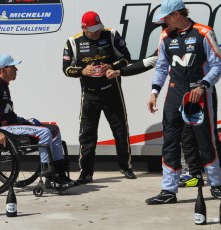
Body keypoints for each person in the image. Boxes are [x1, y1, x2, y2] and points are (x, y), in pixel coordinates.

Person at [106, 47, 221, 188]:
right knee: (185, 137)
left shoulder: (199, 37)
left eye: (166, 25)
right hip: (179, 94)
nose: (165, 29)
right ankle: (194, 174)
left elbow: (216, 63)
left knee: (208, 137)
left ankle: (217, 179)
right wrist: (120, 72)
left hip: (202, 93)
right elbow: (147, 62)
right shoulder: (166, 44)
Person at [145, 0, 221, 205]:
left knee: (206, 140)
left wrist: (203, 85)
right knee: (169, 141)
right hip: (174, 92)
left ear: (178, 14)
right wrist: (154, 92)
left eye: (167, 18)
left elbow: (217, 65)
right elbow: (161, 68)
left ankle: (216, 184)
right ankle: (168, 190)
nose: (164, 22)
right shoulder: (165, 36)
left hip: (200, 92)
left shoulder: (204, 32)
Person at [0, 54, 76, 189]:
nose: (16, 69)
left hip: (12, 125)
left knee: (54, 130)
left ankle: (60, 174)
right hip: (3, 130)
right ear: (3, 69)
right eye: (13, 66)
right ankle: (49, 175)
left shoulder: (4, 86)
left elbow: (5, 112)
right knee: (44, 133)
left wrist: (25, 121)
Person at [62, 11, 136, 184]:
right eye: (93, 30)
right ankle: (86, 173)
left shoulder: (111, 34)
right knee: (87, 135)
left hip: (112, 91)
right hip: (89, 95)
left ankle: (126, 167)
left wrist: (111, 66)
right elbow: (66, 68)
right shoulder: (73, 42)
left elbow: (126, 58)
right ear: (83, 28)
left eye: (98, 28)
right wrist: (82, 70)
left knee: (121, 131)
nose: (96, 32)